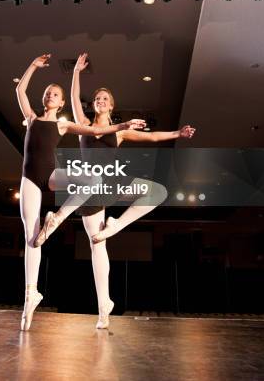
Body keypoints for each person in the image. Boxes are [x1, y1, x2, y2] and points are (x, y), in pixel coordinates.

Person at [35, 53, 196, 328]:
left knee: (157, 192)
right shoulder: (83, 125)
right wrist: (75, 72)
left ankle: (115, 226)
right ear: (94, 104)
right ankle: (104, 307)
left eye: (105, 99)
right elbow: (74, 98)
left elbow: (152, 136)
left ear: (112, 105)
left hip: (111, 182)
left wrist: (177, 135)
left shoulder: (118, 132)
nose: (100, 101)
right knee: (97, 247)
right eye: (97, 99)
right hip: (88, 191)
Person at [17, 53, 145, 331]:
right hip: (29, 178)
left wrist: (122, 125)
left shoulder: (64, 123)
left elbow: (95, 128)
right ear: (44, 99)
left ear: (61, 103)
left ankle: (59, 217)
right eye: (48, 92)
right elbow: (19, 90)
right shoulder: (30, 117)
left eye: (56, 93)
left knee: (92, 196)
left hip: (54, 177)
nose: (51, 95)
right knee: (32, 237)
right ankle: (31, 294)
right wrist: (33, 66)